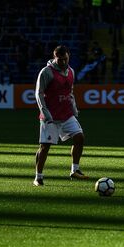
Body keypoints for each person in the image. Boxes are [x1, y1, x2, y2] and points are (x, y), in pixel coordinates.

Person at [33, 45, 88, 186]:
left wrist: (74, 109)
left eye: (65, 59)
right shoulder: (46, 72)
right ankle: (38, 177)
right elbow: (38, 94)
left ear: (69, 56)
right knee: (45, 147)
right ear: (54, 57)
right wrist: (45, 113)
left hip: (66, 114)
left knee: (80, 137)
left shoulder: (71, 72)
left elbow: (70, 92)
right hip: (50, 116)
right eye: (59, 59)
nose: (63, 62)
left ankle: (75, 170)